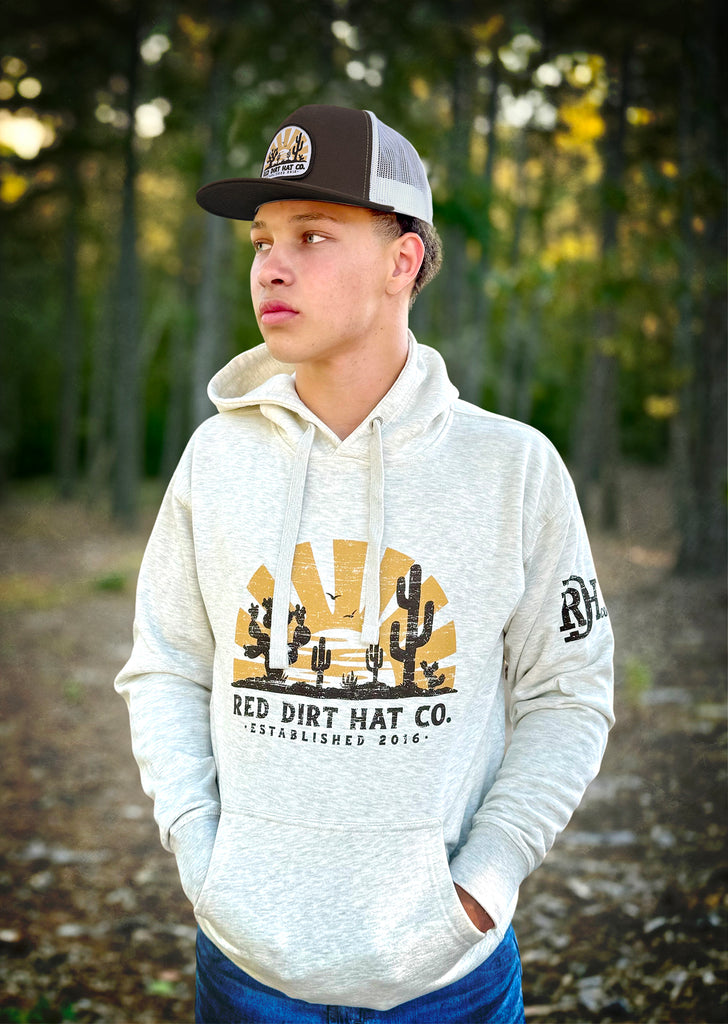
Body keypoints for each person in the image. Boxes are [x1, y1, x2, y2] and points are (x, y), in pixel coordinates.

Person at [114, 104, 614, 1023]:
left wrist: (485, 879)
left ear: (403, 261)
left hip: (447, 977)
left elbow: (569, 692)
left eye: (312, 235)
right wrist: (202, 854)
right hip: (249, 966)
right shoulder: (215, 461)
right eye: (262, 240)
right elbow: (168, 666)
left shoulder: (512, 469)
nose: (271, 265)